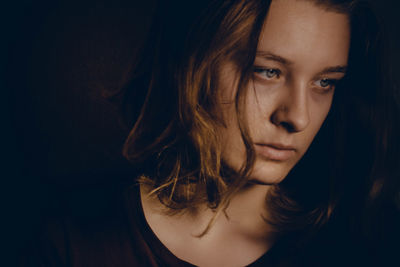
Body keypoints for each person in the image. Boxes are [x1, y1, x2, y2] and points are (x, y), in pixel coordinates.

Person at [20, 0, 399, 266]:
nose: (297, 117)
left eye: (324, 82)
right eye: (267, 71)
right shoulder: (69, 240)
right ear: (192, 64)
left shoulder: (366, 242)